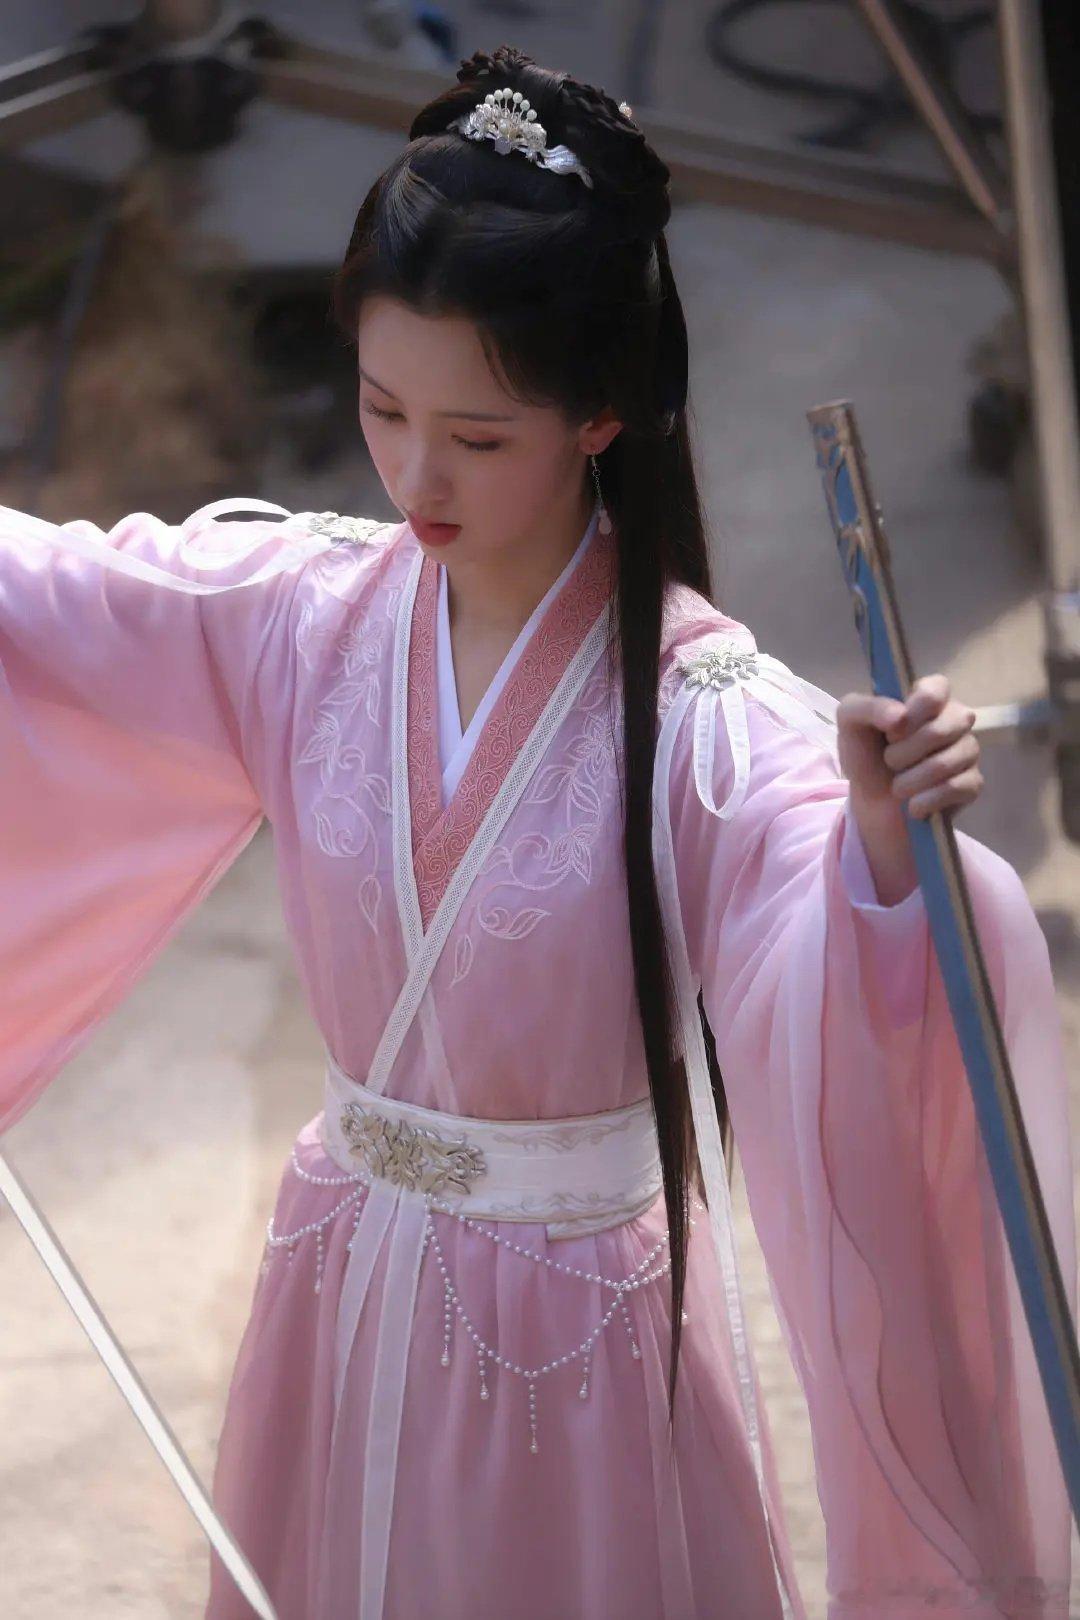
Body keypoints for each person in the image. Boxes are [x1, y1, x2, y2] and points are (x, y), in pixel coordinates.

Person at [0, 42, 1073, 1620]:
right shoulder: (298, 614)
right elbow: (54, 609)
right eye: (382, 408)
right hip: (341, 1279)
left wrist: (881, 851)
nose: (415, 474)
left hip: (575, 1345)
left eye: (479, 435)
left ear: (602, 415)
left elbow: (822, 922)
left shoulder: (698, 711)